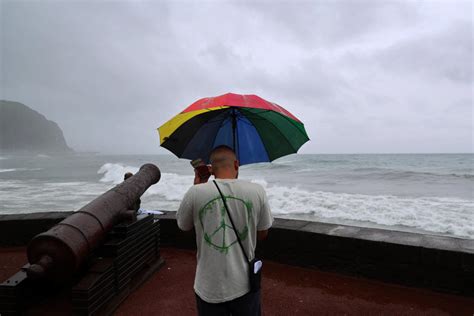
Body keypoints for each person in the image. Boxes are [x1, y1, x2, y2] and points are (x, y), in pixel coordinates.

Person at [177, 145, 273, 316]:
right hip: (245, 284)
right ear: (236, 164)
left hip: (208, 286)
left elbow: (184, 226)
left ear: (211, 169)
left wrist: (198, 185)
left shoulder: (195, 192)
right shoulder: (257, 191)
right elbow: (263, 233)